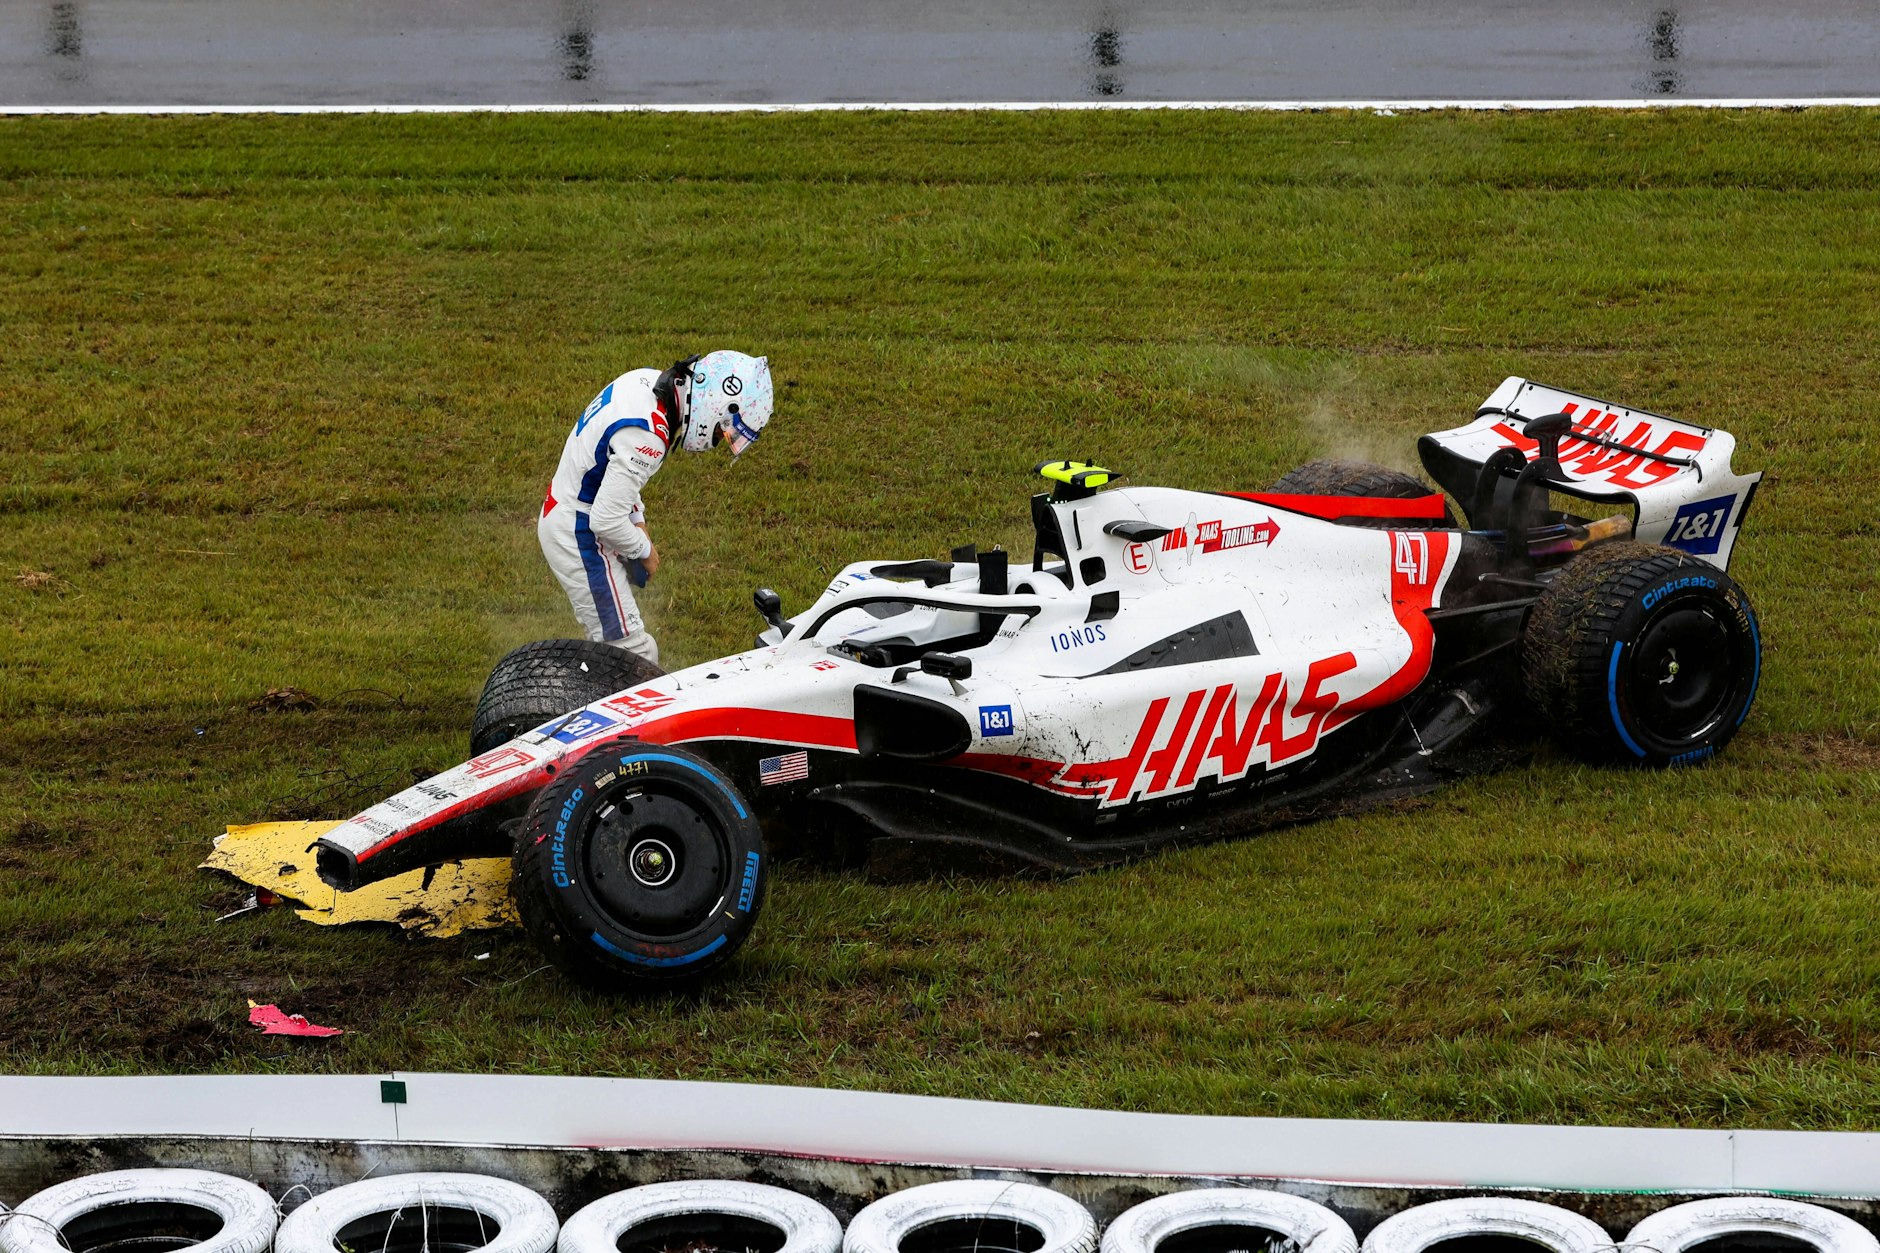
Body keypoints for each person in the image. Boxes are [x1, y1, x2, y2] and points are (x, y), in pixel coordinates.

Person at [538, 350, 773, 665]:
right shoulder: (649, 433)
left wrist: (637, 520)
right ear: (719, 405)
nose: (718, 440)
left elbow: (614, 475)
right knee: (631, 654)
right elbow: (606, 520)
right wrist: (643, 550)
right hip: (579, 534)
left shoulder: (646, 382)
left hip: (571, 512)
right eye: (723, 431)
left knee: (616, 647)